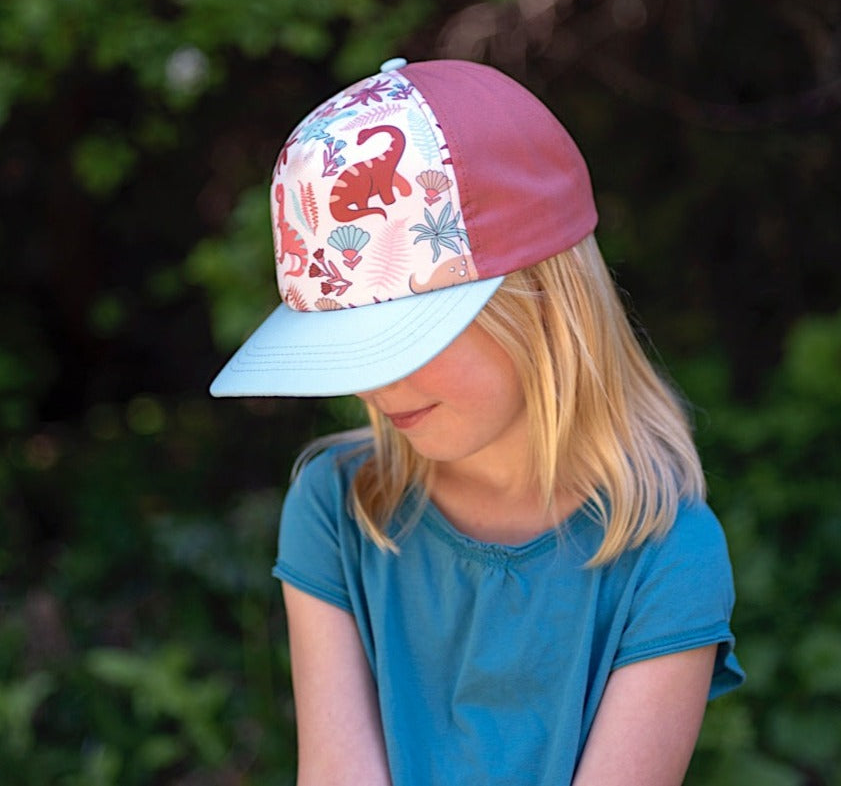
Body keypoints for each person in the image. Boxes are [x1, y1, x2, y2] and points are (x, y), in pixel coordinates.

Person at [210, 57, 744, 785]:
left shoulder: (665, 553)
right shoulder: (338, 508)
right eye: (348, 345)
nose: (372, 379)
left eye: (404, 338)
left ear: (545, 304)